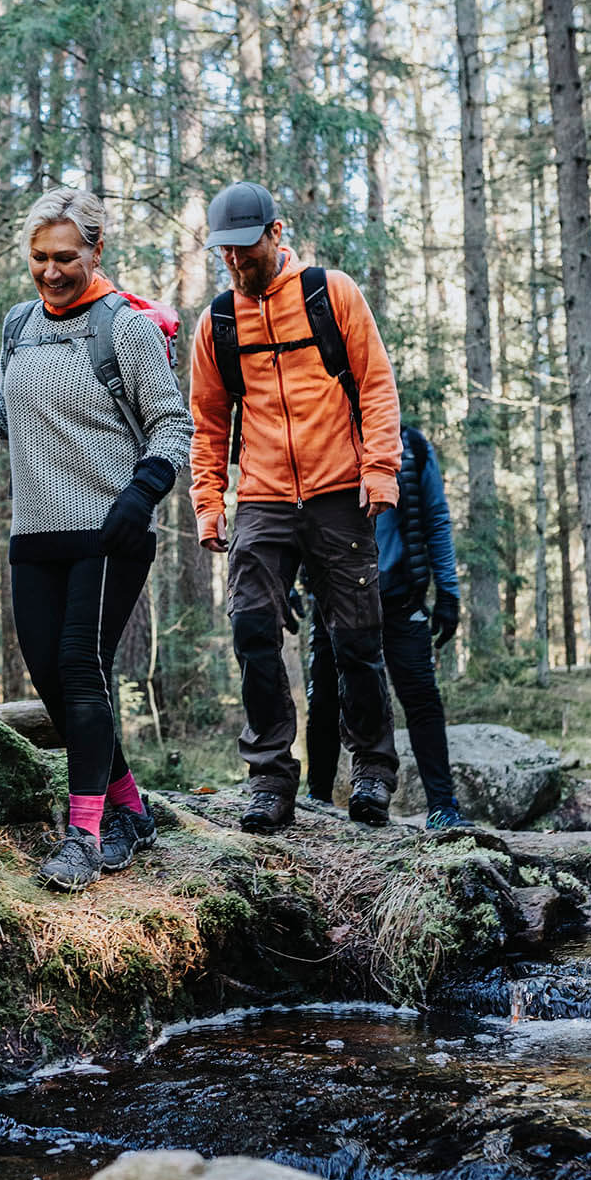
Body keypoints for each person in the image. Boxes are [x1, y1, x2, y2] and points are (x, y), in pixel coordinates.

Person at [0, 187, 193, 891]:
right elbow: (18, 409)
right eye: (39, 257)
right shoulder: (20, 323)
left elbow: (172, 423)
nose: (52, 271)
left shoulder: (125, 328)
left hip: (108, 528)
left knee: (83, 670)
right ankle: (128, 808)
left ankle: (84, 833)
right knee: (51, 680)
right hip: (36, 529)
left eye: (66, 257)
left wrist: (141, 494)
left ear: (95, 252)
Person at [189, 180, 401, 832]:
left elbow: (375, 383)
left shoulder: (330, 295)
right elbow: (207, 421)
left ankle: (372, 772)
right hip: (263, 495)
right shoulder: (219, 322)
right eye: (225, 252)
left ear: (276, 234)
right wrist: (209, 501)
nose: (235, 262)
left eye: (245, 249)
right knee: (252, 624)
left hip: (340, 490)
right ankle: (270, 778)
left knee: (355, 639)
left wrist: (381, 472)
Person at [305, 424, 474, 830]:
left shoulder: (411, 447)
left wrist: (448, 592)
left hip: (399, 596)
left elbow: (435, 518)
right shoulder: (322, 437)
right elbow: (299, 516)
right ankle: (317, 799)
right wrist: (295, 581)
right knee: (326, 696)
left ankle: (442, 807)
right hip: (336, 596)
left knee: (421, 697)